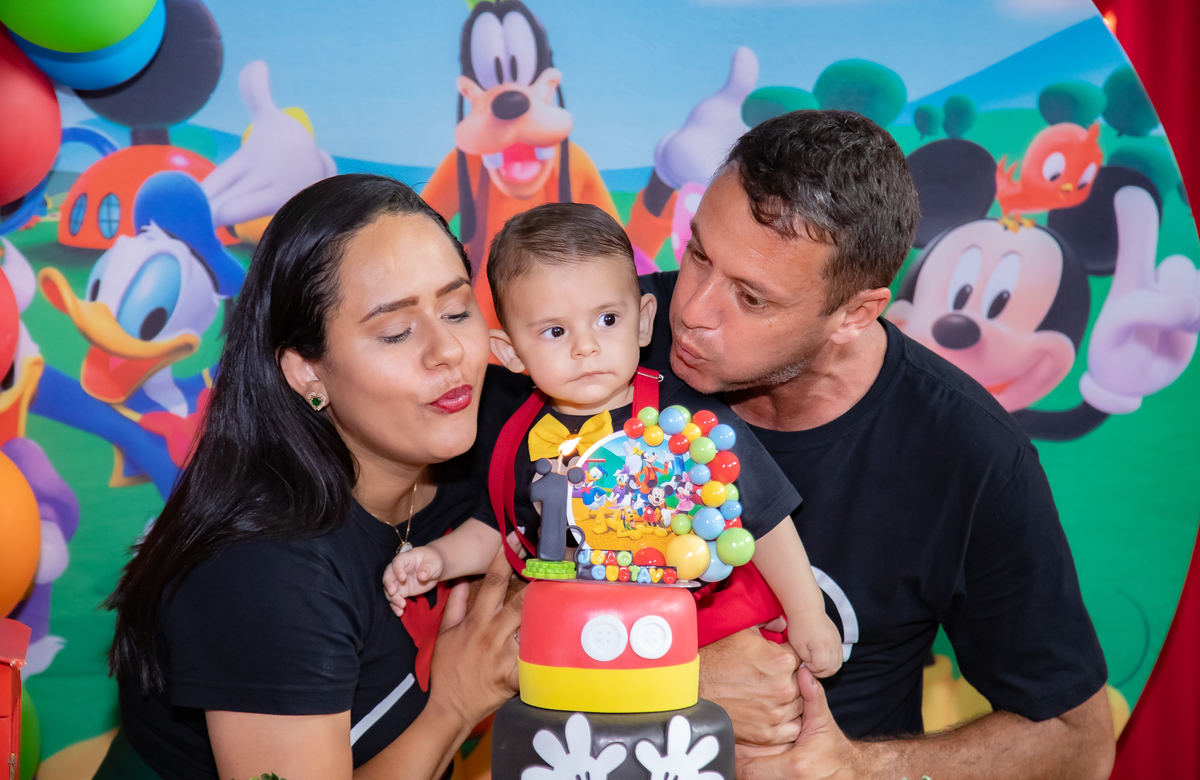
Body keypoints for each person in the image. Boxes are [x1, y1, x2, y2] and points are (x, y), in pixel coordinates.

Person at [637, 110, 1116, 779]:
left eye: (750, 298)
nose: (692, 309)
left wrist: (858, 768)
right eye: (698, 254)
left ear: (855, 314)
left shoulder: (967, 452)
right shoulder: (594, 346)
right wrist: (663, 676)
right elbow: (470, 618)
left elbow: (1078, 739)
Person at [97, 174, 525, 780]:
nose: (448, 350)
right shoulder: (261, 570)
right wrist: (452, 706)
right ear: (306, 372)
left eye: (457, 309)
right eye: (396, 331)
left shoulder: (500, 422)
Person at [382, 202, 844, 678]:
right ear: (513, 353)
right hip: (585, 633)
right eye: (556, 331)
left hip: (697, 618)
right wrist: (439, 559)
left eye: (606, 320)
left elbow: (765, 517)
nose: (586, 347)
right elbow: (497, 531)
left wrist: (807, 611)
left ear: (643, 321)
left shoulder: (685, 422)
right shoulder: (522, 438)